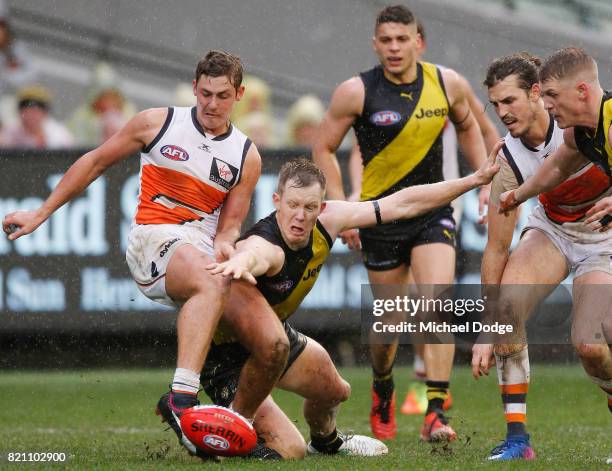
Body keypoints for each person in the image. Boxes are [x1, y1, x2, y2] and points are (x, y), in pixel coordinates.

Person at [2, 50, 262, 459]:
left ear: (239, 95)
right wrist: (41, 212)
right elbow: (94, 161)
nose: (212, 104)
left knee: (267, 335)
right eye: (205, 93)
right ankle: (181, 399)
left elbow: (230, 224)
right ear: (193, 87)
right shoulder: (157, 123)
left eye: (223, 95)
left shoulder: (247, 155)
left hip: (199, 252)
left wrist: (228, 242)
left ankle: (284, 426)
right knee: (213, 279)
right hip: (153, 241)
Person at [203, 154, 499, 458]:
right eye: (293, 205)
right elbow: (255, 254)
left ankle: (326, 442)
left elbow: (402, 204)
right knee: (288, 450)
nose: (301, 217)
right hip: (229, 358)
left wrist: (473, 180)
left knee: (336, 391)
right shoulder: (267, 243)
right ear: (277, 200)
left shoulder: (330, 219)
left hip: (276, 335)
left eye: (310, 207)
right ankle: (199, 425)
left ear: (322, 206)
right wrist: (241, 260)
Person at [312, 5, 490, 442]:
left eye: (401, 39)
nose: (394, 48)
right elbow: (323, 148)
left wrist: (483, 177)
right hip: (379, 216)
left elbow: (469, 125)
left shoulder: (447, 83)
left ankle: (435, 411)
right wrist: (342, 209)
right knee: (389, 325)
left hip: (434, 211)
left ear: (418, 41)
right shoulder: (355, 92)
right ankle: (383, 384)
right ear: (376, 44)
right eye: (386, 40)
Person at [471, 52, 612, 460]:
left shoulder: (581, 123)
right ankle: (517, 440)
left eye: (509, 101)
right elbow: (497, 247)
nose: (502, 113)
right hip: (553, 229)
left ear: (536, 94)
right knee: (506, 309)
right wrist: (487, 326)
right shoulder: (509, 159)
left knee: (591, 347)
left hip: (602, 239)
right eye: (495, 105)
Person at [67, 62, 137, 147]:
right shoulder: (81, 117)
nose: (108, 102)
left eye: (112, 97)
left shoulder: (129, 113)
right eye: (104, 97)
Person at [0, 85, 74, 149]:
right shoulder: (9, 132)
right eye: (26, 110)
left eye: (35, 111)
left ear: (45, 113)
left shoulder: (59, 135)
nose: (30, 116)